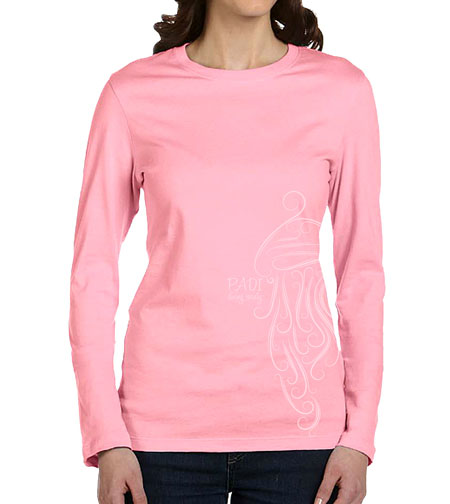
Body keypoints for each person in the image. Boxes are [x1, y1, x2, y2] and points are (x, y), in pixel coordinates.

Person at [68, 1, 385, 503]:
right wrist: (106, 436)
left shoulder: (341, 92)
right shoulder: (131, 94)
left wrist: (359, 436)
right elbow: (93, 272)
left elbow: (361, 272)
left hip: (304, 437)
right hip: (157, 438)